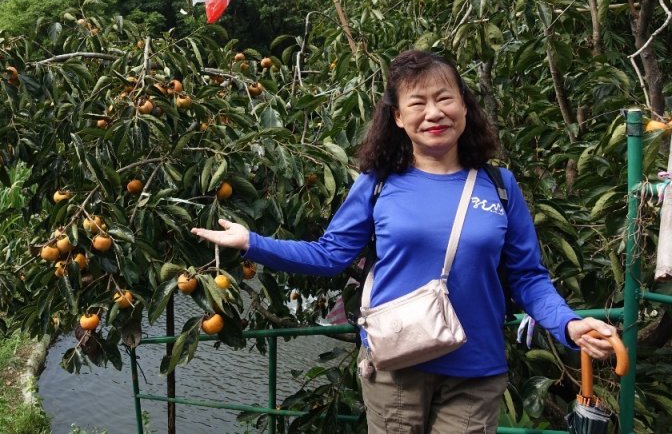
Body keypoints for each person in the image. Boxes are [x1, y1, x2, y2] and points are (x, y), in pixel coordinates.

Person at [191, 49, 617, 433]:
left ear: (465, 107)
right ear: (398, 117)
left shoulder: (499, 186)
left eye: (444, 98)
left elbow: (528, 277)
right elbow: (329, 255)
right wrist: (253, 242)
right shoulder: (378, 185)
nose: (434, 113)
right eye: (418, 102)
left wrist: (569, 324)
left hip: (476, 371)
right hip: (396, 366)